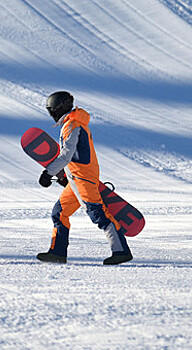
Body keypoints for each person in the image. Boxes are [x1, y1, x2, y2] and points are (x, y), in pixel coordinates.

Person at [36, 91, 132, 265]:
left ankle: (121, 251)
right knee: (59, 213)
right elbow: (75, 156)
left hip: (83, 179)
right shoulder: (71, 123)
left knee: (98, 213)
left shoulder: (73, 124)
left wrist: (48, 173)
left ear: (60, 108)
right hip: (76, 179)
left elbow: (66, 155)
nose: (51, 114)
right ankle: (57, 252)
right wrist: (66, 176)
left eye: (52, 110)